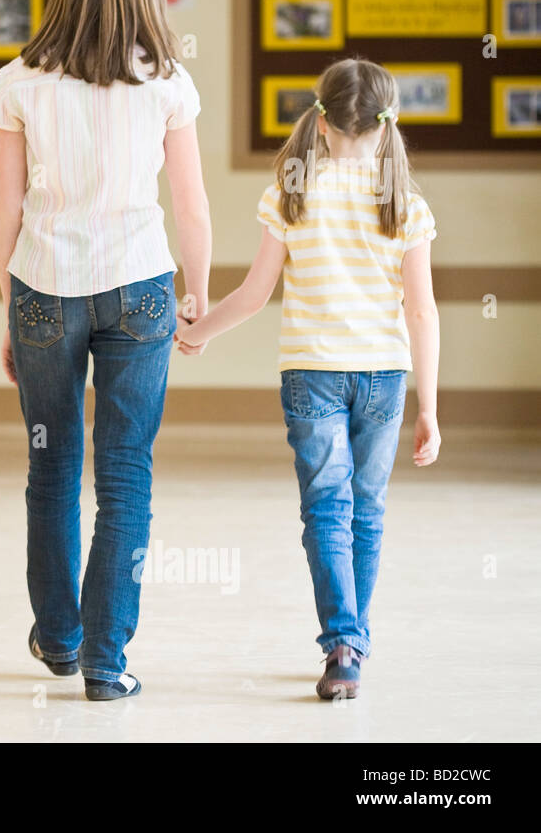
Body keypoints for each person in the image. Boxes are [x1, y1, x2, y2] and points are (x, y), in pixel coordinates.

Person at [0, 0, 212, 701]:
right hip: (143, 287)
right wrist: (200, 291)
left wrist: (11, 306)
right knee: (125, 474)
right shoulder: (169, 83)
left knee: (50, 464)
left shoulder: (19, 80)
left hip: (45, 286)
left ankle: (58, 636)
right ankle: (106, 663)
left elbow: (5, 209)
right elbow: (190, 203)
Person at [174, 58, 441, 700]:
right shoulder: (405, 204)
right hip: (384, 376)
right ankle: (353, 638)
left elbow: (252, 294)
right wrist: (429, 406)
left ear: (320, 125)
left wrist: (196, 332)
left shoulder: (290, 196)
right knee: (366, 510)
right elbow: (421, 310)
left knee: (327, 508)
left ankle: (343, 641)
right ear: (385, 129)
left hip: (312, 374)